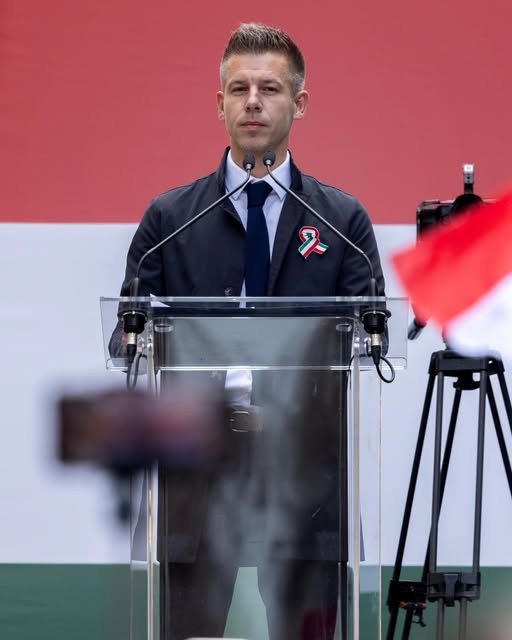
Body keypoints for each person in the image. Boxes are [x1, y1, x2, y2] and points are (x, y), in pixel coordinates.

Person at [117, 22, 386, 640]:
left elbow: (370, 339)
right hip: (195, 468)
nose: (253, 102)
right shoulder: (170, 219)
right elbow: (126, 341)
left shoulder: (341, 221)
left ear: (300, 102)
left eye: (270, 88)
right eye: (239, 89)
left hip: (304, 474)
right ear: (220, 104)